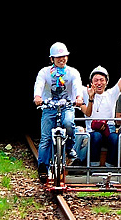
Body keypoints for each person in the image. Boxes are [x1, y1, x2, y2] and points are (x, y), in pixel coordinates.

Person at [75, 41, 121, 167]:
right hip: (92, 130)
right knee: (96, 136)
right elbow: (73, 85)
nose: (99, 83)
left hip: (109, 129)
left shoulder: (111, 93)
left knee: (115, 138)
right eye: (96, 80)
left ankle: (111, 165)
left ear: (106, 82)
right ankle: (93, 164)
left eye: (102, 80)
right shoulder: (84, 92)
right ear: (91, 82)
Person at [33, 42, 84, 182]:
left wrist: (79, 97)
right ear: (52, 59)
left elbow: (77, 86)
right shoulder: (45, 72)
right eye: (58, 57)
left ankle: (69, 148)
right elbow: (39, 85)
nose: (61, 59)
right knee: (46, 138)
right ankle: (43, 166)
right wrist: (37, 97)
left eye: (64, 56)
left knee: (68, 123)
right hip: (49, 107)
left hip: (67, 106)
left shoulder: (72, 72)